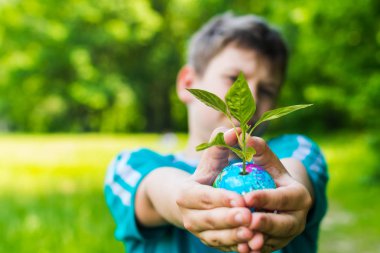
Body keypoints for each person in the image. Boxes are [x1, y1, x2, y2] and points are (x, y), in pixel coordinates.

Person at [104, 12, 328, 253]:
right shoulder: (129, 165)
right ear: (187, 82)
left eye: (267, 90)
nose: (251, 97)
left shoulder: (297, 148)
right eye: (234, 78)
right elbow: (155, 189)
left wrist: (287, 195)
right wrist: (184, 200)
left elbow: (294, 175)